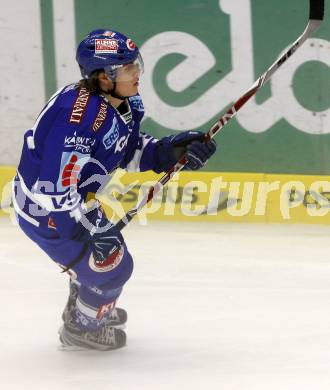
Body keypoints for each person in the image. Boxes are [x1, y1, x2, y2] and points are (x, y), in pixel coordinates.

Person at [13, 29, 217, 351]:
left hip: (77, 203)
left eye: (135, 64)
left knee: (105, 262)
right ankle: (82, 329)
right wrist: (88, 228)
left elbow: (126, 148)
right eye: (127, 68)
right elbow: (54, 189)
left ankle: (86, 297)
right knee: (113, 269)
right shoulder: (78, 120)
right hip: (48, 214)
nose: (136, 73)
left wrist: (168, 152)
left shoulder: (123, 102)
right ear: (103, 77)